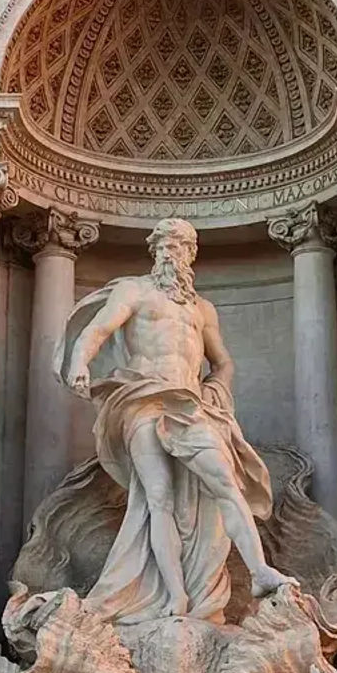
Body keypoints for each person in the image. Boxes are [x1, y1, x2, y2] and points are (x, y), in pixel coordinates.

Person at [62, 217, 287, 622]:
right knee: (158, 498)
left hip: (189, 404)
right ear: (154, 252)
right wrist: (80, 362)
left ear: (191, 253)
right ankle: (175, 596)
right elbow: (96, 331)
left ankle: (260, 572)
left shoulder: (202, 310)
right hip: (142, 399)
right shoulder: (135, 291)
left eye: (179, 245)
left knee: (226, 482)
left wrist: (216, 388)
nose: (171, 252)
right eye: (164, 245)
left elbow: (222, 362)